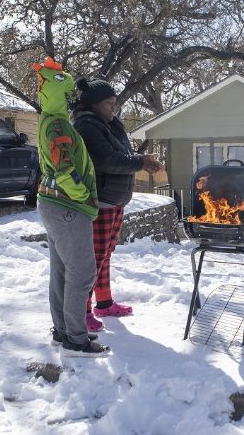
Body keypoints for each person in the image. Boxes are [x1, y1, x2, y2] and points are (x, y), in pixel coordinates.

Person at [71, 77, 163, 332]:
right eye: (109, 103)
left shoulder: (109, 124)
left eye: (115, 103)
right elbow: (107, 161)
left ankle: (104, 302)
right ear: (94, 104)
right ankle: (83, 310)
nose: (114, 108)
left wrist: (141, 160)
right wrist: (140, 162)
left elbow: (123, 156)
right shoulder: (86, 126)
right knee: (93, 259)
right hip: (99, 201)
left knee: (105, 256)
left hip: (115, 200)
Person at [32, 57, 109, 357]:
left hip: (52, 204)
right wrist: (84, 197)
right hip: (67, 206)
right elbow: (65, 169)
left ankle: (64, 330)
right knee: (82, 272)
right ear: (56, 92)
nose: (71, 96)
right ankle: (76, 339)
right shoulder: (58, 125)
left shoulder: (48, 120)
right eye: (65, 90)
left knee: (62, 271)